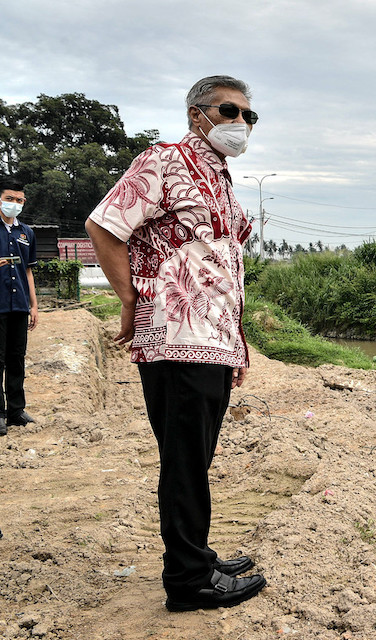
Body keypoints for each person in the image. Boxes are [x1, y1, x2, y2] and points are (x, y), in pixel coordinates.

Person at [86, 75, 266, 612]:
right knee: (185, 462)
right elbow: (104, 226)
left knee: (196, 457)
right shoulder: (162, 161)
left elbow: (223, 264)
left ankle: (199, 555)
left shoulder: (221, 175)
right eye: (230, 111)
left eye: (249, 116)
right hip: (174, 337)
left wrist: (236, 341)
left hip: (214, 340)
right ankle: (189, 582)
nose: (241, 124)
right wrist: (130, 299)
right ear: (196, 114)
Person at [0, 179, 39, 438]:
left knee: (17, 358)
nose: (14, 204)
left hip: (19, 306)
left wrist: (34, 305)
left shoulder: (26, 233)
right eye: (9, 199)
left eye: (19, 200)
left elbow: (28, 270)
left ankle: (16, 410)